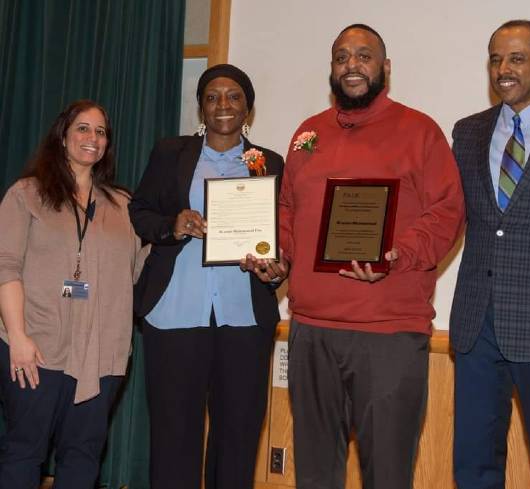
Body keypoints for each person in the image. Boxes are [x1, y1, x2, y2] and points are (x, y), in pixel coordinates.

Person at [246, 23, 463, 489]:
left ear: (385, 68)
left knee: (386, 472)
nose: (352, 66)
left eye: (364, 56)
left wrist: (395, 256)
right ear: (332, 68)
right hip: (312, 329)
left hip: (388, 333)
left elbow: (448, 211)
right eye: (342, 57)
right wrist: (279, 256)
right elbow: (288, 208)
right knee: (316, 472)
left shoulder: (420, 131)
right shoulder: (309, 134)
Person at [129, 64, 283, 489]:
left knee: (238, 433)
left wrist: (274, 269)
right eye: (212, 96)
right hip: (175, 312)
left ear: (248, 107)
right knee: (174, 433)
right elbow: (139, 210)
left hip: (244, 316)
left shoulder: (268, 162)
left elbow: (279, 235)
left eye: (234, 96)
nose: (223, 105)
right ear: (200, 106)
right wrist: (172, 224)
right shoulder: (170, 152)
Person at [449, 20, 530, 489]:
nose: (503, 69)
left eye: (516, 58)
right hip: (475, 323)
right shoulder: (467, 132)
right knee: (473, 463)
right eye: (496, 58)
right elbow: (447, 212)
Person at [0, 99, 142, 488]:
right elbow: (5, 266)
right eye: (82, 128)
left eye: (100, 131)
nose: (92, 138)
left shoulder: (124, 206)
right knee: (24, 451)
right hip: (36, 350)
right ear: (62, 136)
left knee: (83, 456)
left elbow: (144, 269)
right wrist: (18, 338)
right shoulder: (26, 194)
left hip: (102, 356)